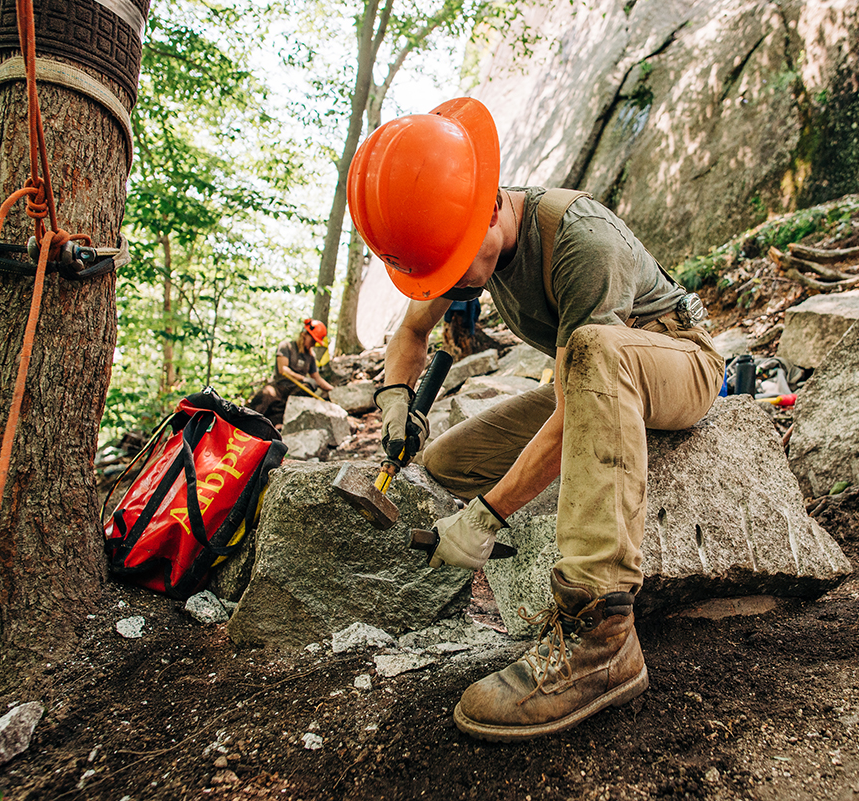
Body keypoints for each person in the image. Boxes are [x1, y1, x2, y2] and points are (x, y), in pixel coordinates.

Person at [348, 97, 724, 741]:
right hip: (595, 376)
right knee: (448, 463)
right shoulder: (460, 231)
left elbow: (591, 373)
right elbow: (411, 334)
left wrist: (487, 515)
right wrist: (393, 401)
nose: (455, 287)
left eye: (455, 267)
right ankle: (532, 557)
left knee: (590, 353)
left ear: (492, 205)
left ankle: (601, 636)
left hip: (677, 364)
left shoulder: (582, 242)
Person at [247, 319, 335, 427]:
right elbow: (283, 369)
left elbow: (317, 378)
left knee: (310, 385)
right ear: (304, 334)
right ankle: (245, 420)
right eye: (312, 340)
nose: (313, 344)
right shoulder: (286, 346)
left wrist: (334, 390)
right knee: (265, 395)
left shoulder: (311, 357)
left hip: (294, 392)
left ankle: (281, 422)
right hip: (279, 387)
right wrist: (303, 378)